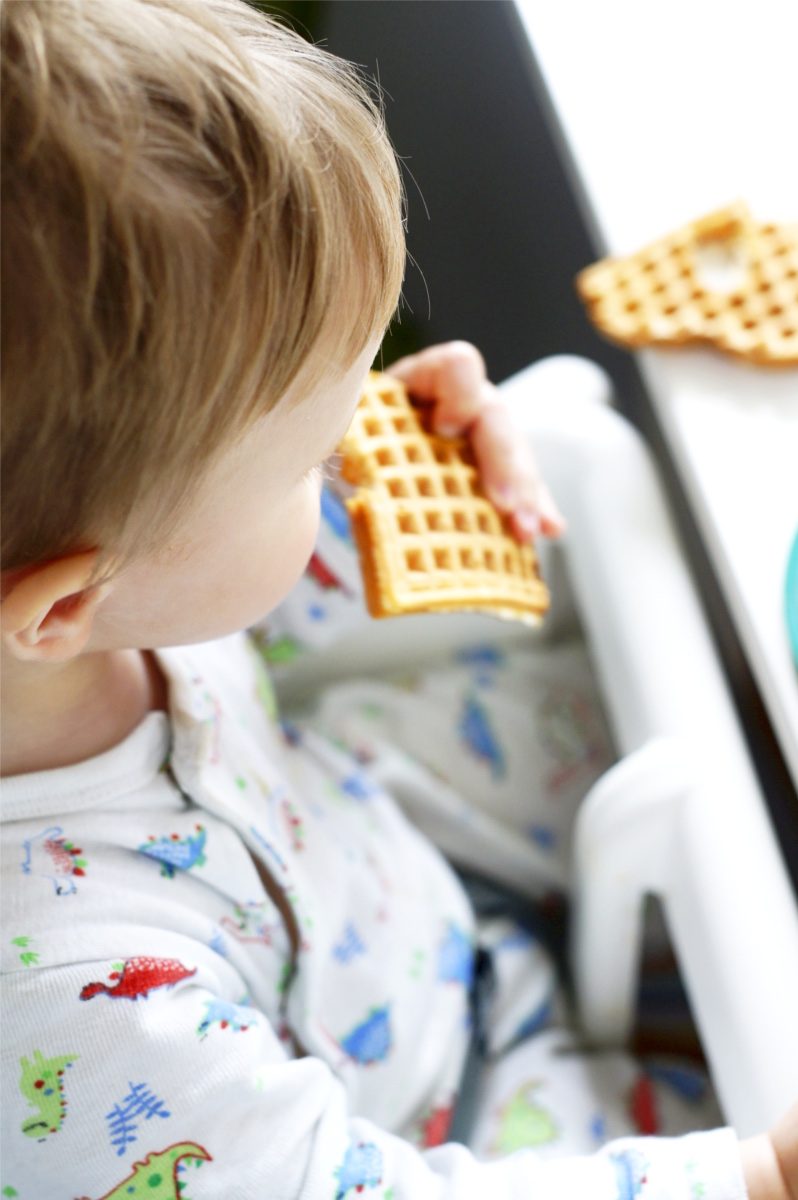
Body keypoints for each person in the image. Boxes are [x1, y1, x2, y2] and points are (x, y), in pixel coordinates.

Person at [1, 2, 795, 1197]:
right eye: (318, 461)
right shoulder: (74, 1021)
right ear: (61, 605)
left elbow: (220, 589)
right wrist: (752, 1173)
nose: (365, 440)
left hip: (403, 882)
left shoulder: (76, 612)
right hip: (450, 1113)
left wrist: (410, 488)